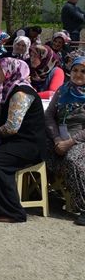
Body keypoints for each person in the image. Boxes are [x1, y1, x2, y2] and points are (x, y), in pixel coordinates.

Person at [0, 58, 46, 222]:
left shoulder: (21, 93)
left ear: (10, 71)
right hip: (15, 141)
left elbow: (11, 127)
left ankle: (13, 212)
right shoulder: (5, 90)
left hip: (28, 144)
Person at [44, 56, 85, 226]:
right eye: (75, 70)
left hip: (80, 140)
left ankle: (83, 206)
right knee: (35, 151)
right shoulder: (63, 90)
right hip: (59, 139)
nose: (78, 74)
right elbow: (49, 116)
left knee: (73, 160)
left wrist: (70, 142)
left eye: (83, 71)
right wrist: (56, 139)